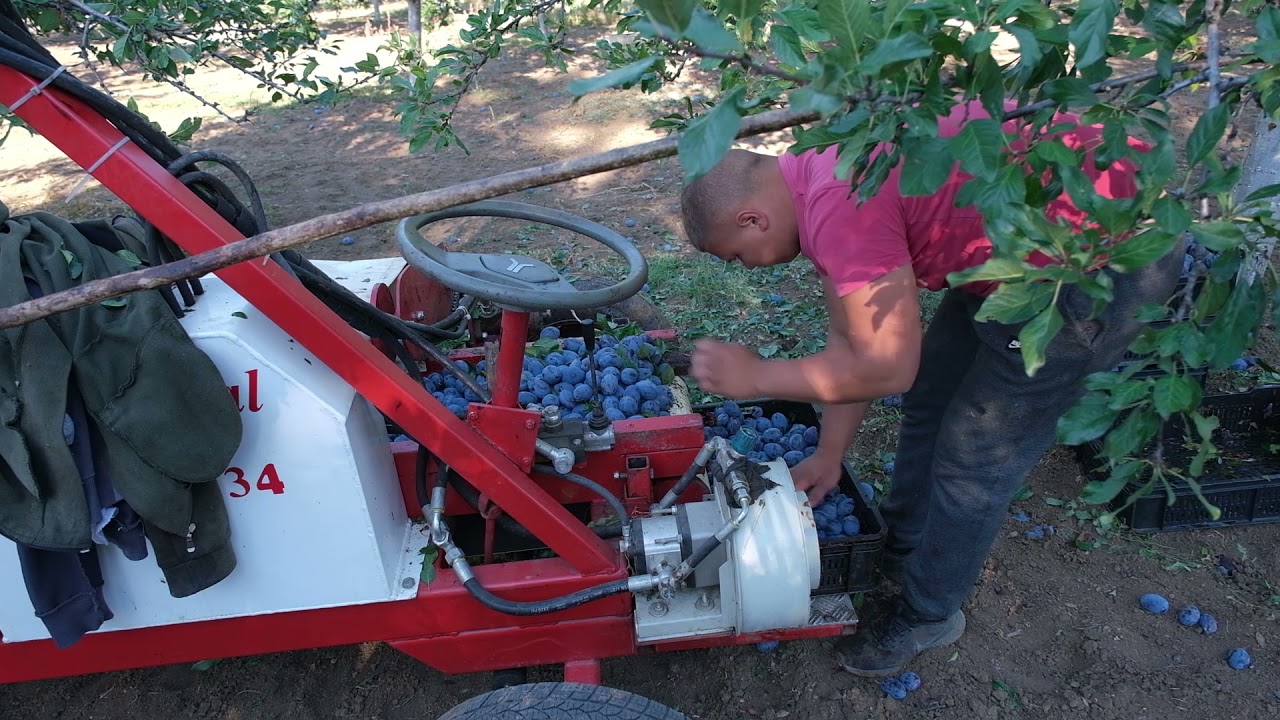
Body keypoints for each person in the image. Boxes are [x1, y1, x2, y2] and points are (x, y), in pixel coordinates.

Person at [680, 99, 1183, 677]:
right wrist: (830, 453)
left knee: (974, 458)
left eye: (739, 259)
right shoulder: (817, 168)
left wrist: (760, 376)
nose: (750, 268)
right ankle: (905, 540)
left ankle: (927, 614)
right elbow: (855, 341)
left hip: (1101, 256)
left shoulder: (840, 206)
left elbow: (887, 368)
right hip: (1018, 240)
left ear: (752, 220)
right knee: (931, 400)